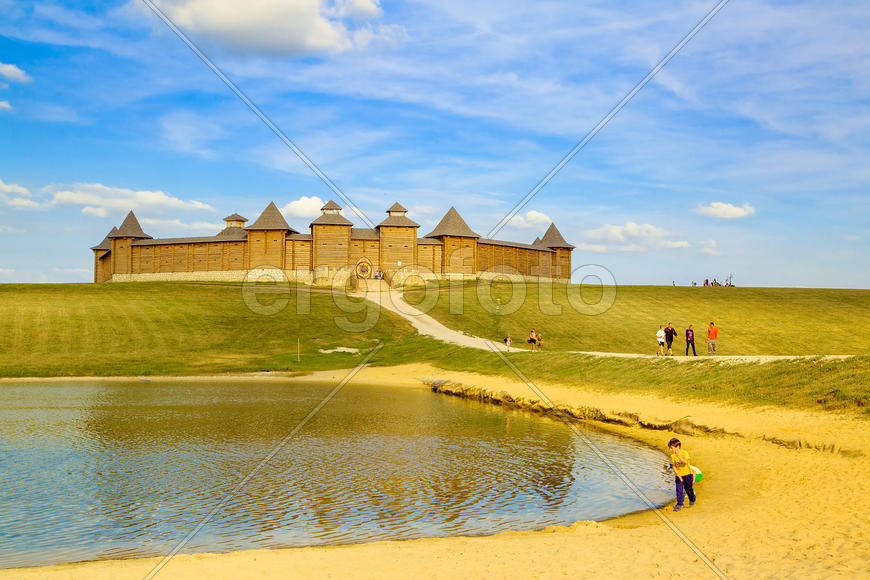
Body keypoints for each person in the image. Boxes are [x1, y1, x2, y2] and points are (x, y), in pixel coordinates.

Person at [666, 438, 696, 511]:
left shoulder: (684, 453)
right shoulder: (672, 456)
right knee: (679, 490)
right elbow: (674, 466)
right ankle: (680, 504)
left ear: (677, 447)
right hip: (679, 476)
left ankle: (692, 498)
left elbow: (686, 462)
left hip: (688, 474)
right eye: (669, 448)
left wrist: (678, 456)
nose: (670, 450)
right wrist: (678, 475)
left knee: (688, 489)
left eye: (671, 448)